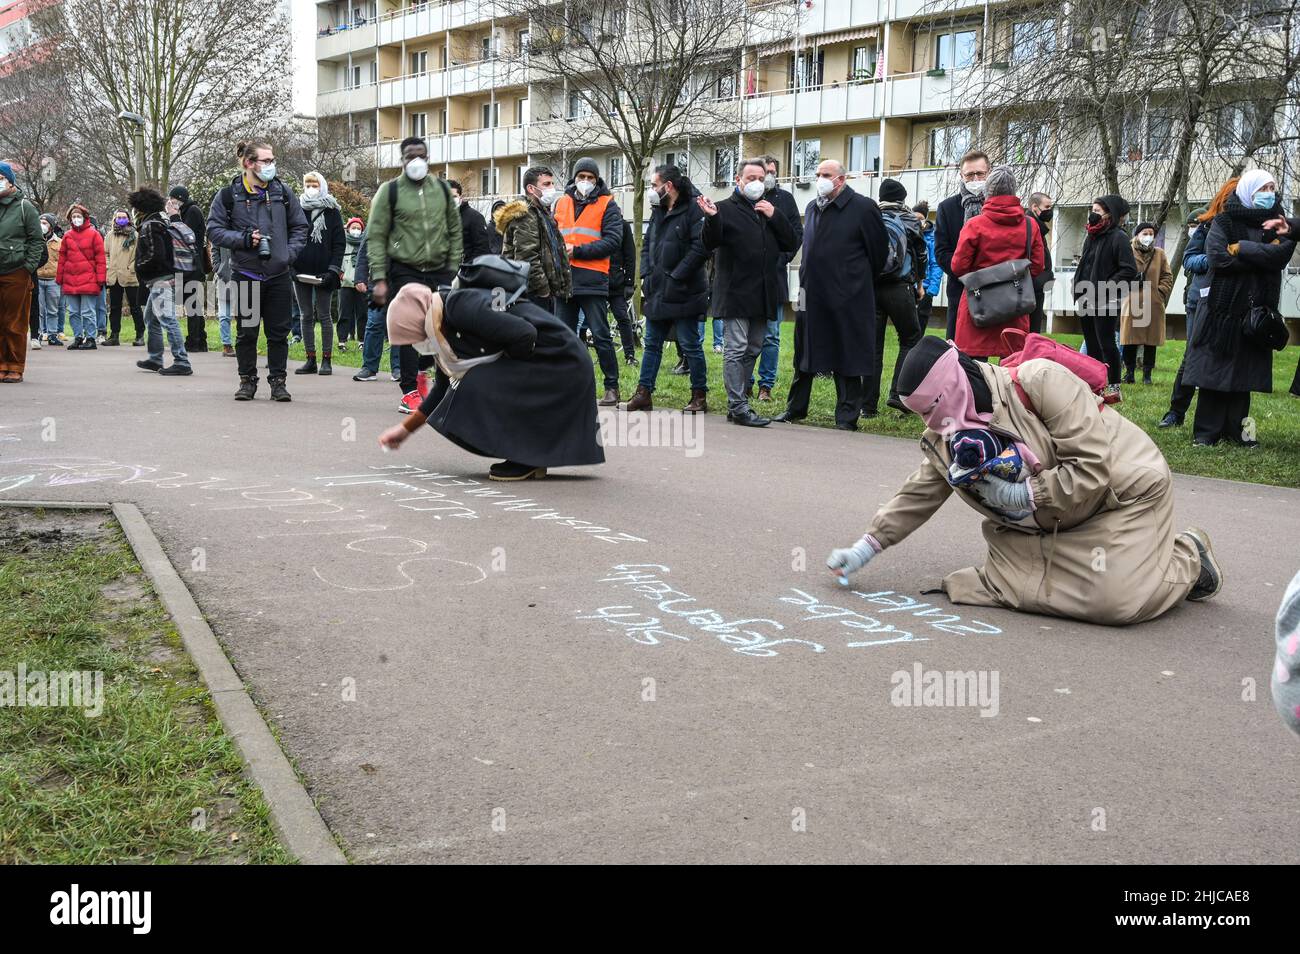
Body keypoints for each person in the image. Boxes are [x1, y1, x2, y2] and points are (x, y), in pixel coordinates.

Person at [826, 336, 1223, 624]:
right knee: (1027, 589)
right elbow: (919, 494)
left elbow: (1092, 469)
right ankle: (1075, 568)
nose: (931, 423)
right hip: (1051, 523)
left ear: (952, 386)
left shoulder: (1042, 382)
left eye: (932, 408)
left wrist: (1022, 493)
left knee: (1116, 603)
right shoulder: (946, 433)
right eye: (920, 414)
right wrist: (866, 546)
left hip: (1118, 499)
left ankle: (1186, 555)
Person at [377, 279, 605, 481]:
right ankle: (525, 455)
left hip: (563, 362)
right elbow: (442, 388)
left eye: (414, 338)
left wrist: (508, 376)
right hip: (551, 362)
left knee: (477, 383)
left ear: (419, 322)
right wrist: (404, 431)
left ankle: (525, 457)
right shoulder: (443, 327)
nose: (417, 346)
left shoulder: (459, 307)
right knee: (469, 385)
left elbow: (525, 334)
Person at [770, 160, 886, 431]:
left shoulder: (863, 208)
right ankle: (795, 407)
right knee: (805, 351)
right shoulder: (812, 207)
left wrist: (853, 279)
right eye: (818, 174)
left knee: (846, 353)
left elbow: (878, 254)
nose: (820, 179)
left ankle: (847, 415)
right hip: (811, 292)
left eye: (826, 175)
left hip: (849, 295)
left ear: (841, 180)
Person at [1182, 169, 1293, 448]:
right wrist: (1259, 258)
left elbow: (1279, 257)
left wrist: (1241, 247)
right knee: (1214, 369)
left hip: (1257, 311)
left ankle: (1239, 431)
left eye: (1272, 187)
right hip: (1223, 310)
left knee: (1245, 374)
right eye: (1263, 188)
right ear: (1248, 191)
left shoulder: (1279, 224)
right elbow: (1219, 259)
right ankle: (1206, 433)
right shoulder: (1224, 220)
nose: (1270, 193)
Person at [206, 139, 310, 402]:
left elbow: (300, 227)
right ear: (248, 163)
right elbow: (213, 230)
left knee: (279, 333)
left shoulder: (283, 193)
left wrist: (288, 254)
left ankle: (278, 381)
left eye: (272, 160)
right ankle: (247, 381)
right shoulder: (229, 196)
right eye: (266, 161)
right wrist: (242, 239)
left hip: (278, 274)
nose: (271, 165)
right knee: (247, 332)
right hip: (247, 274)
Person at [365, 136, 463, 413]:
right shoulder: (391, 191)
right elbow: (376, 235)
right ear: (403, 159)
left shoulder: (442, 190)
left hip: (439, 270)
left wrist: (452, 266)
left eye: (421, 155)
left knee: (435, 330)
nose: (416, 160)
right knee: (410, 329)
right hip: (404, 269)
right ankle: (409, 391)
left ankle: (425, 374)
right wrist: (380, 278)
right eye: (410, 156)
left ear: (428, 157)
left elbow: (455, 231)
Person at [698, 157, 798, 427]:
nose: (756, 183)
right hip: (735, 291)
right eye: (750, 178)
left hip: (764, 291)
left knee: (754, 346)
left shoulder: (770, 209)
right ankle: (738, 405)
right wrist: (711, 219)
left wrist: (774, 216)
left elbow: (791, 241)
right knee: (736, 348)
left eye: (760, 178)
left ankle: (738, 401)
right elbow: (710, 242)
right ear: (738, 180)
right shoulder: (723, 209)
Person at [625, 164, 709, 413]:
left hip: (685, 290)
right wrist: (646, 274)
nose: (651, 190)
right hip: (657, 289)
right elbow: (648, 243)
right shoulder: (659, 209)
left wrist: (677, 276)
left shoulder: (694, 208)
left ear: (668, 186)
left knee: (690, 344)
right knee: (652, 343)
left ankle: (699, 395)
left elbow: (701, 247)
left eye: (654, 185)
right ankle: (643, 393)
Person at [950, 165, 1045, 361]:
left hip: (978, 305)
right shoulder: (1030, 224)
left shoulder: (975, 224)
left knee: (975, 370)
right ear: (1013, 191)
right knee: (1011, 371)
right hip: (1015, 304)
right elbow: (1037, 266)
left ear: (988, 191)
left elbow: (958, 267)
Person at [554, 157, 625, 407]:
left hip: (593, 279)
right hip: (564, 279)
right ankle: (566, 386)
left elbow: (613, 240)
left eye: (590, 178)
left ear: (597, 180)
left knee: (601, 335)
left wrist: (578, 251)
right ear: (574, 178)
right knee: (564, 337)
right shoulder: (561, 202)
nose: (585, 181)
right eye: (581, 176)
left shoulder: (608, 204)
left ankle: (611, 387)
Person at [868, 178, 926, 413]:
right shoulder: (910, 219)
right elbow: (921, 255)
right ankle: (898, 394)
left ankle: (867, 406)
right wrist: (920, 284)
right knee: (911, 338)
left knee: (873, 346)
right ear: (903, 198)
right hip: (900, 288)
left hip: (871, 288)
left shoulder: (871, 218)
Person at [1072, 194, 1137, 403]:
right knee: (1091, 344)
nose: (1093, 215)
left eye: (1097, 211)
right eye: (1093, 210)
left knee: (1106, 343)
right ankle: (1095, 384)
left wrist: (1105, 288)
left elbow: (1129, 270)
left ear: (1110, 214)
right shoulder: (1092, 235)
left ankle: (1114, 385)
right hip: (1085, 297)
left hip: (1105, 299)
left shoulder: (1118, 237)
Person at [751, 155, 803, 403]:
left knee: (771, 335)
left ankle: (766, 386)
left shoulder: (785, 199)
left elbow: (796, 234)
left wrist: (781, 259)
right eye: (763, 172)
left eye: (771, 172)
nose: (767, 176)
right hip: (747, 280)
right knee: (747, 336)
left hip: (774, 278)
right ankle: (745, 383)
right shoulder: (745, 198)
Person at [1159, 206, 1215, 428]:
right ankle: (1176, 411)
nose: (1192, 229)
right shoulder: (1207, 229)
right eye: (1190, 226)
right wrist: (1214, 258)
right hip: (1197, 300)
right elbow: (1189, 260)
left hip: (1220, 300)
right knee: (1192, 354)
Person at [130, 188, 192, 376]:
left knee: (167, 319)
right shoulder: (161, 221)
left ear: (141, 208)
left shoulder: (151, 225)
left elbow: (155, 255)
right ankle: (155, 358)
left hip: (161, 280)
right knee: (151, 318)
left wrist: (139, 266)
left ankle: (182, 361)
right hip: (166, 278)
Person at [495, 165, 571, 313]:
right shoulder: (526, 215)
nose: (552, 188)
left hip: (540, 293)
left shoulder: (541, 213)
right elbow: (527, 256)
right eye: (546, 184)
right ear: (531, 188)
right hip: (532, 293)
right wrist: (543, 290)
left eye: (552, 183)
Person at [291, 170, 345, 377]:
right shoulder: (297, 209)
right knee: (305, 315)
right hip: (301, 271)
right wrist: (292, 266)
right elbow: (291, 238)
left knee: (324, 315)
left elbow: (339, 244)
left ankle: (327, 360)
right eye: (308, 185)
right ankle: (310, 358)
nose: (311, 189)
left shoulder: (332, 211)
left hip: (325, 272)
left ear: (321, 186)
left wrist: (333, 270)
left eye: (315, 185)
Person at [934, 149, 990, 339]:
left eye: (980, 173)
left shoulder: (999, 205)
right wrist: (966, 271)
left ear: (989, 172)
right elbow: (941, 252)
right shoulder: (947, 208)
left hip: (996, 289)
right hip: (960, 289)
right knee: (958, 352)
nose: (975, 179)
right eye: (969, 174)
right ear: (961, 175)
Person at [0, 162, 43, 383]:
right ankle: (1, 365)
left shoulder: (25, 207)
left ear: (9, 180)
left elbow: (37, 241)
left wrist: (28, 267)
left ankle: (15, 366)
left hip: (16, 271)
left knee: (14, 322)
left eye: (0, 177)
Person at [1119, 221, 1173, 385]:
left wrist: (1160, 292)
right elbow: (1120, 271)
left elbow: (1167, 276)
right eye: (1145, 233)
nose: (1148, 236)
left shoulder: (1159, 254)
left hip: (1153, 302)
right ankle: (1129, 373)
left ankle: (1147, 375)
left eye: (1151, 233)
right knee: (1130, 338)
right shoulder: (1127, 250)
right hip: (1131, 299)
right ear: (1137, 235)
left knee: (1151, 339)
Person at [56, 203, 106, 351]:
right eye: (73, 216)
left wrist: (101, 279)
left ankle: (90, 338)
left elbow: (100, 258)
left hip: (89, 280)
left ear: (85, 218)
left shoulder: (94, 234)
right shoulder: (67, 236)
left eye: (78, 216)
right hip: (71, 280)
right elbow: (62, 258)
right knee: (73, 312)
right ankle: (78, 337)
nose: (76, 218)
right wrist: (60, 278)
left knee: (88, 311)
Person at [170, 186, 210, 353]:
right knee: (193, 307)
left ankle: (194, 340)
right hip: (186, 265)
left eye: (173, 200)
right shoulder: (186, 212)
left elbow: (183, 236)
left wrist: (173, 217)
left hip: (192, 266)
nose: (171, 203)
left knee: (192, 306)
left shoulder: (192, 211)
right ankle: (200, 339)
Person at [104, 208, 143, 348]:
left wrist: (131, 268)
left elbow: (139, 255)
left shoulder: (135, 235)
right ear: (114, 219)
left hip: (130, 275)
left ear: (128, 219)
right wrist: (108, 267)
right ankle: (114, 335)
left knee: (135, 307)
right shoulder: (109, 235)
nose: (121, 219)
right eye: (118, 217)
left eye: (124, 217)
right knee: (114, 307)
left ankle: (140, 335)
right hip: (114, 276)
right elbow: (105, 253)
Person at [607, 216, 638, 366]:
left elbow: (630, 255)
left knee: (622, 317)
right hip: (598, 280)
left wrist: (629, 282)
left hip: (616, 281)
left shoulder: (623, 225)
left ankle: (630, 354)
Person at [1026, 191, 1055, 335]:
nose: (1050, 211)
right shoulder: (1031, 226)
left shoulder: (1037, 227)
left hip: (1034, 288)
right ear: (1035, 207)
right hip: (1031, 289)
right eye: (1047, 207)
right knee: (1031, 330)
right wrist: (1042, 278)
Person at [336, 216, 365, 351]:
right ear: (348, 229)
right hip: (345, 282)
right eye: (354, 228)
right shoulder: (342, 240)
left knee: (362, 313)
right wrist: (339, 273)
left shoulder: (365, 242)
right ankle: (342, 340)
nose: (356, 230)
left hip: (362, 283)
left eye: (359, 228)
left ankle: (362, 340)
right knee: (344, 313)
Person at [36, 213, 63, 346]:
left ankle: (52, 334)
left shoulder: (59, 242)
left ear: (51, 226)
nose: (42, 225)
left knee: (53, 309)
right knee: (39, 309)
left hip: (53, 280)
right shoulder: (35, 240)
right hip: (38, 278)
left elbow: (63, 261)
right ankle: (39, 333)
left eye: (45, 223)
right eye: (40, 222)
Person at [915, 201, 942, 329]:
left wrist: (931, 290)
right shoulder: (909, 233)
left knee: (921, 321)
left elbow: (936, 264)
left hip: (926, 288)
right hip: (910, 286)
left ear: (925, 220)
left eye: (920, 219)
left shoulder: (932, 238)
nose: (916, 221)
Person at [448, 181, 491, 263]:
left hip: (466, 271)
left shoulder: (475, 217)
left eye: (453, 196)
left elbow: (482, 249)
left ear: (460, 197)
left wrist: (467, 268)